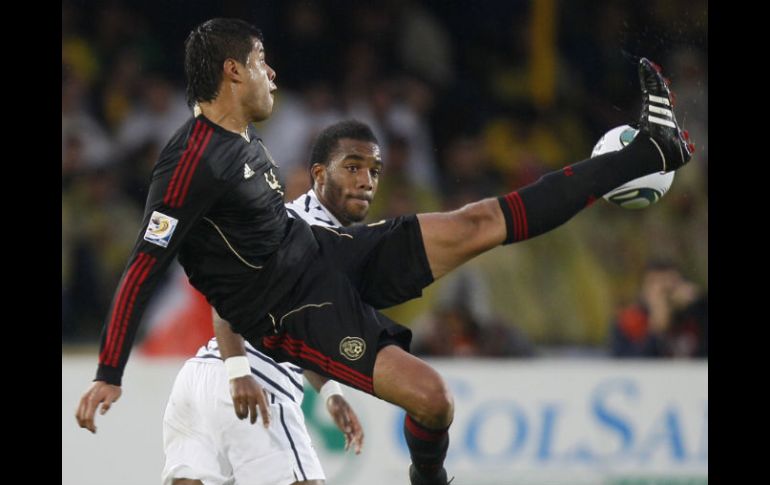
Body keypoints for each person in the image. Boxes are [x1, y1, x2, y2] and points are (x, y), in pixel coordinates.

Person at [76, 18, 693, 485]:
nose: (273, 74)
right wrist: (109, 371)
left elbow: (234, 256)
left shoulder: (243, 137)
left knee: (475, 222)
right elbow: (142, 266)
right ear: (233, 71)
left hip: (328, 251)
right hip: (298, 311)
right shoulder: (188, 162)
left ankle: (649, 152)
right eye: (263, 62)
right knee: (433, 400)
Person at [163, 120, 379, 485]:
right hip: (252, 381)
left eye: (375, 171)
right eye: (353, 167)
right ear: (320, 174)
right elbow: (228, 294)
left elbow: (300, 333)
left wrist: (330, 393)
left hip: (201, 381)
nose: (366, 181)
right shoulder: (293, 228)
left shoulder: (329, 239)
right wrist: (238, 371)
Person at [610, 260, 707, 358]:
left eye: (669, 287)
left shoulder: (696, 315)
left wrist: (700, 305)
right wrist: (656, 329)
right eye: (655, 286)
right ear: (643, 290)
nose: (662, 295)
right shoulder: (629, 321)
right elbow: (627, 364)